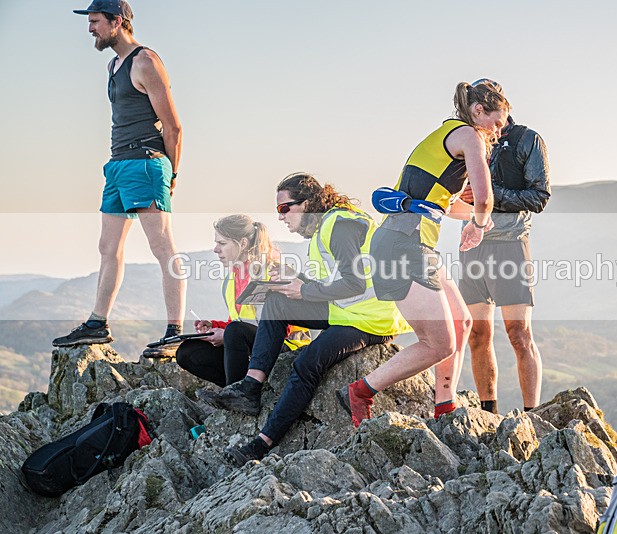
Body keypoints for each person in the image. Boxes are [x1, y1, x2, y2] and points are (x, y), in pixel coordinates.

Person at [202, 174, 408, 466]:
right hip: (345, 310)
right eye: (278, 211)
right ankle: (250, 387)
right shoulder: (324, 230)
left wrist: (304, 289)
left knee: (306, 363)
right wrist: (294, 280)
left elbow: (355, 284)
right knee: (276, 301)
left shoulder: (340, 225)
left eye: (285, 209)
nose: (281, 217)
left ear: (308, 204)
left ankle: (262, 443)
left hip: (371, 319)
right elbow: (336, 282)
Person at [338, 82, 510, 427]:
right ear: (479, 112)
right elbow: (483, 197)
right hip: (403, 244)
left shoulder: (445, 138)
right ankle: (360, 390)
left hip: (411, 243)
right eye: (498, 121)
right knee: (437, 343)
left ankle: (444, 406)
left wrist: (479, 223)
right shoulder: (469, 137)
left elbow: (445, 206)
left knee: (462, 323)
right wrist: (479, 222)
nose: (500, 130)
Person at [54, 0, 186, 350]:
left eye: (95, 21)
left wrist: (171, 173)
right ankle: (98, 323)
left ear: (117, 21)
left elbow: (173, 127)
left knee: (162, 247)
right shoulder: (114, 65)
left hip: (145, 162)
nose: (90, 29)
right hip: (117, 165)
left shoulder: (146, 61)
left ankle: (175, 331)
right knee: (107, 247)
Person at [459, 79, 551, 412]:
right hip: (472, 246)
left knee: (518, 334)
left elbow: (539, 196)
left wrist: (491, 197)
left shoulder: (528, 139)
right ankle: (489, 414)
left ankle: (533, 416)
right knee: (477, 336)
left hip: (511, 243)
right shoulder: (465, 138)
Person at [175, 214, 309, 387]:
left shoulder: (274, 272)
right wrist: (215, 327)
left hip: (288, 347)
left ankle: (240, 395)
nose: (216, 249)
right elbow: (238, 322)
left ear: (243, 244)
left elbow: (279, 328)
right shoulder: (231, 280)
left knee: (234, 332)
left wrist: (228, 334)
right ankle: (236, 388)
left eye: (222, 243)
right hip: (253, 345)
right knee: (187, 352)